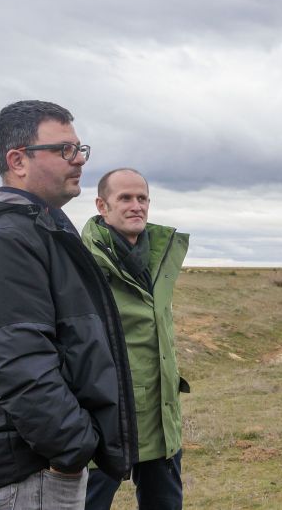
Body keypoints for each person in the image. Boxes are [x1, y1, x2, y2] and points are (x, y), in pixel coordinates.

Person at [0, 101, 138, 509]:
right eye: (64, 150)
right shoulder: (5, 240)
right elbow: (18, 362)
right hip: (25, 471)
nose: (79, 160)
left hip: (35, 465)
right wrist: (71, 449)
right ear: (17, 160)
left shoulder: (39, 227)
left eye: (80, 149)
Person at [82, 168, 190, 510]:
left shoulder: (158, 256)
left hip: (160, 417)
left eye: (142, 198)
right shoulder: (81, 262)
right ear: (102, 205)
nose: (136, 206)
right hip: (106, 421)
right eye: (125, 198)